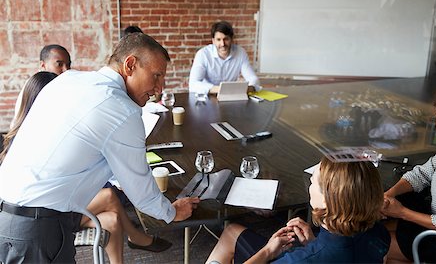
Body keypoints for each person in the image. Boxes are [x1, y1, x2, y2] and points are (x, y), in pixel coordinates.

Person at [0, 33, 199, 263]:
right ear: (130, 65)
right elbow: (142, 195)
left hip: (8, 216)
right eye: (156, 76)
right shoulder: (121, 110)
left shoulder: (68, 80)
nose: (159, 89)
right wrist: (173, 212)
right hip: (37, 230)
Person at [206, 157, 390, 263]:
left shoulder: (299, 261)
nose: (309, 185)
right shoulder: (380, 235)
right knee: (232, 231)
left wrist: (268, 251)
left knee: (230, 233)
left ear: (326, 201)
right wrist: (313, 243)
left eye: (313, 182)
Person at [381, 86, 436, 263]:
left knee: (375, 247)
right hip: (429, 224)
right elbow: (421, 174)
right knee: (378, 234)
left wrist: (402, 213)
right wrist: (390, 194)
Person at [189, 20, 260, 94]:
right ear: (213, 41)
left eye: (226, 39)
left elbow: (253, 79)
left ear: (231, 39)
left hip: (230, 96)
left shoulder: (241, 53)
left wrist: (247, 88)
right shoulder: (203, 54)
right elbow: (193, 84)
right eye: (218, 40)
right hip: (209, 96)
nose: (222, 44)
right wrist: (219, 90)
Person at [11, 44, 71, 127]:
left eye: (68, 65)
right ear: (43, 65)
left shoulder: (62, 84)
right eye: (59, 64)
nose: (66, 70)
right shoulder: (37, 87)